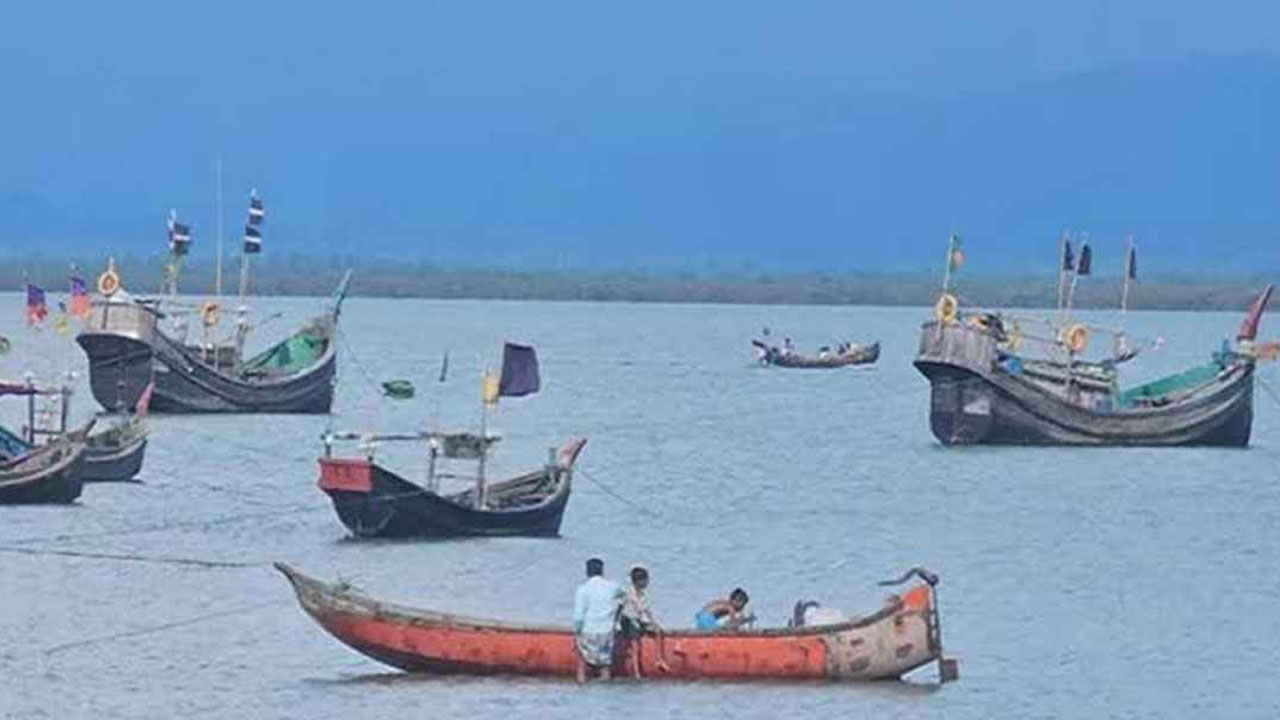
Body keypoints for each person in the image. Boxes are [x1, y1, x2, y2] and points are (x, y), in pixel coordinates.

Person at [572, 557, 623, 682]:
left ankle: (582, 680)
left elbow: (578, 616)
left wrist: (576, 632)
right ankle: (605, 684)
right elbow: (624, 596)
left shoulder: (583, 589)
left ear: (587, 572)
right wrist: (618, 615)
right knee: (605, 664)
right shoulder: (612, 586)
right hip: (607, 630)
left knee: (582, 660)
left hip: (589, 630)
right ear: (602, 571)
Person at [619, 566, 668, 678]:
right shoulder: (628, 593)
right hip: (628, 620)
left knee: (658, 631)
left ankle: (659, 659)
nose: (647, 582)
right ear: (638, 581)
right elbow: (620, 608)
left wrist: (654, 623)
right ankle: (636, 673)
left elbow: (646, 611)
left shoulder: (643, 594)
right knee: (635, 645)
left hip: (638, 620)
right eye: (645, 580)